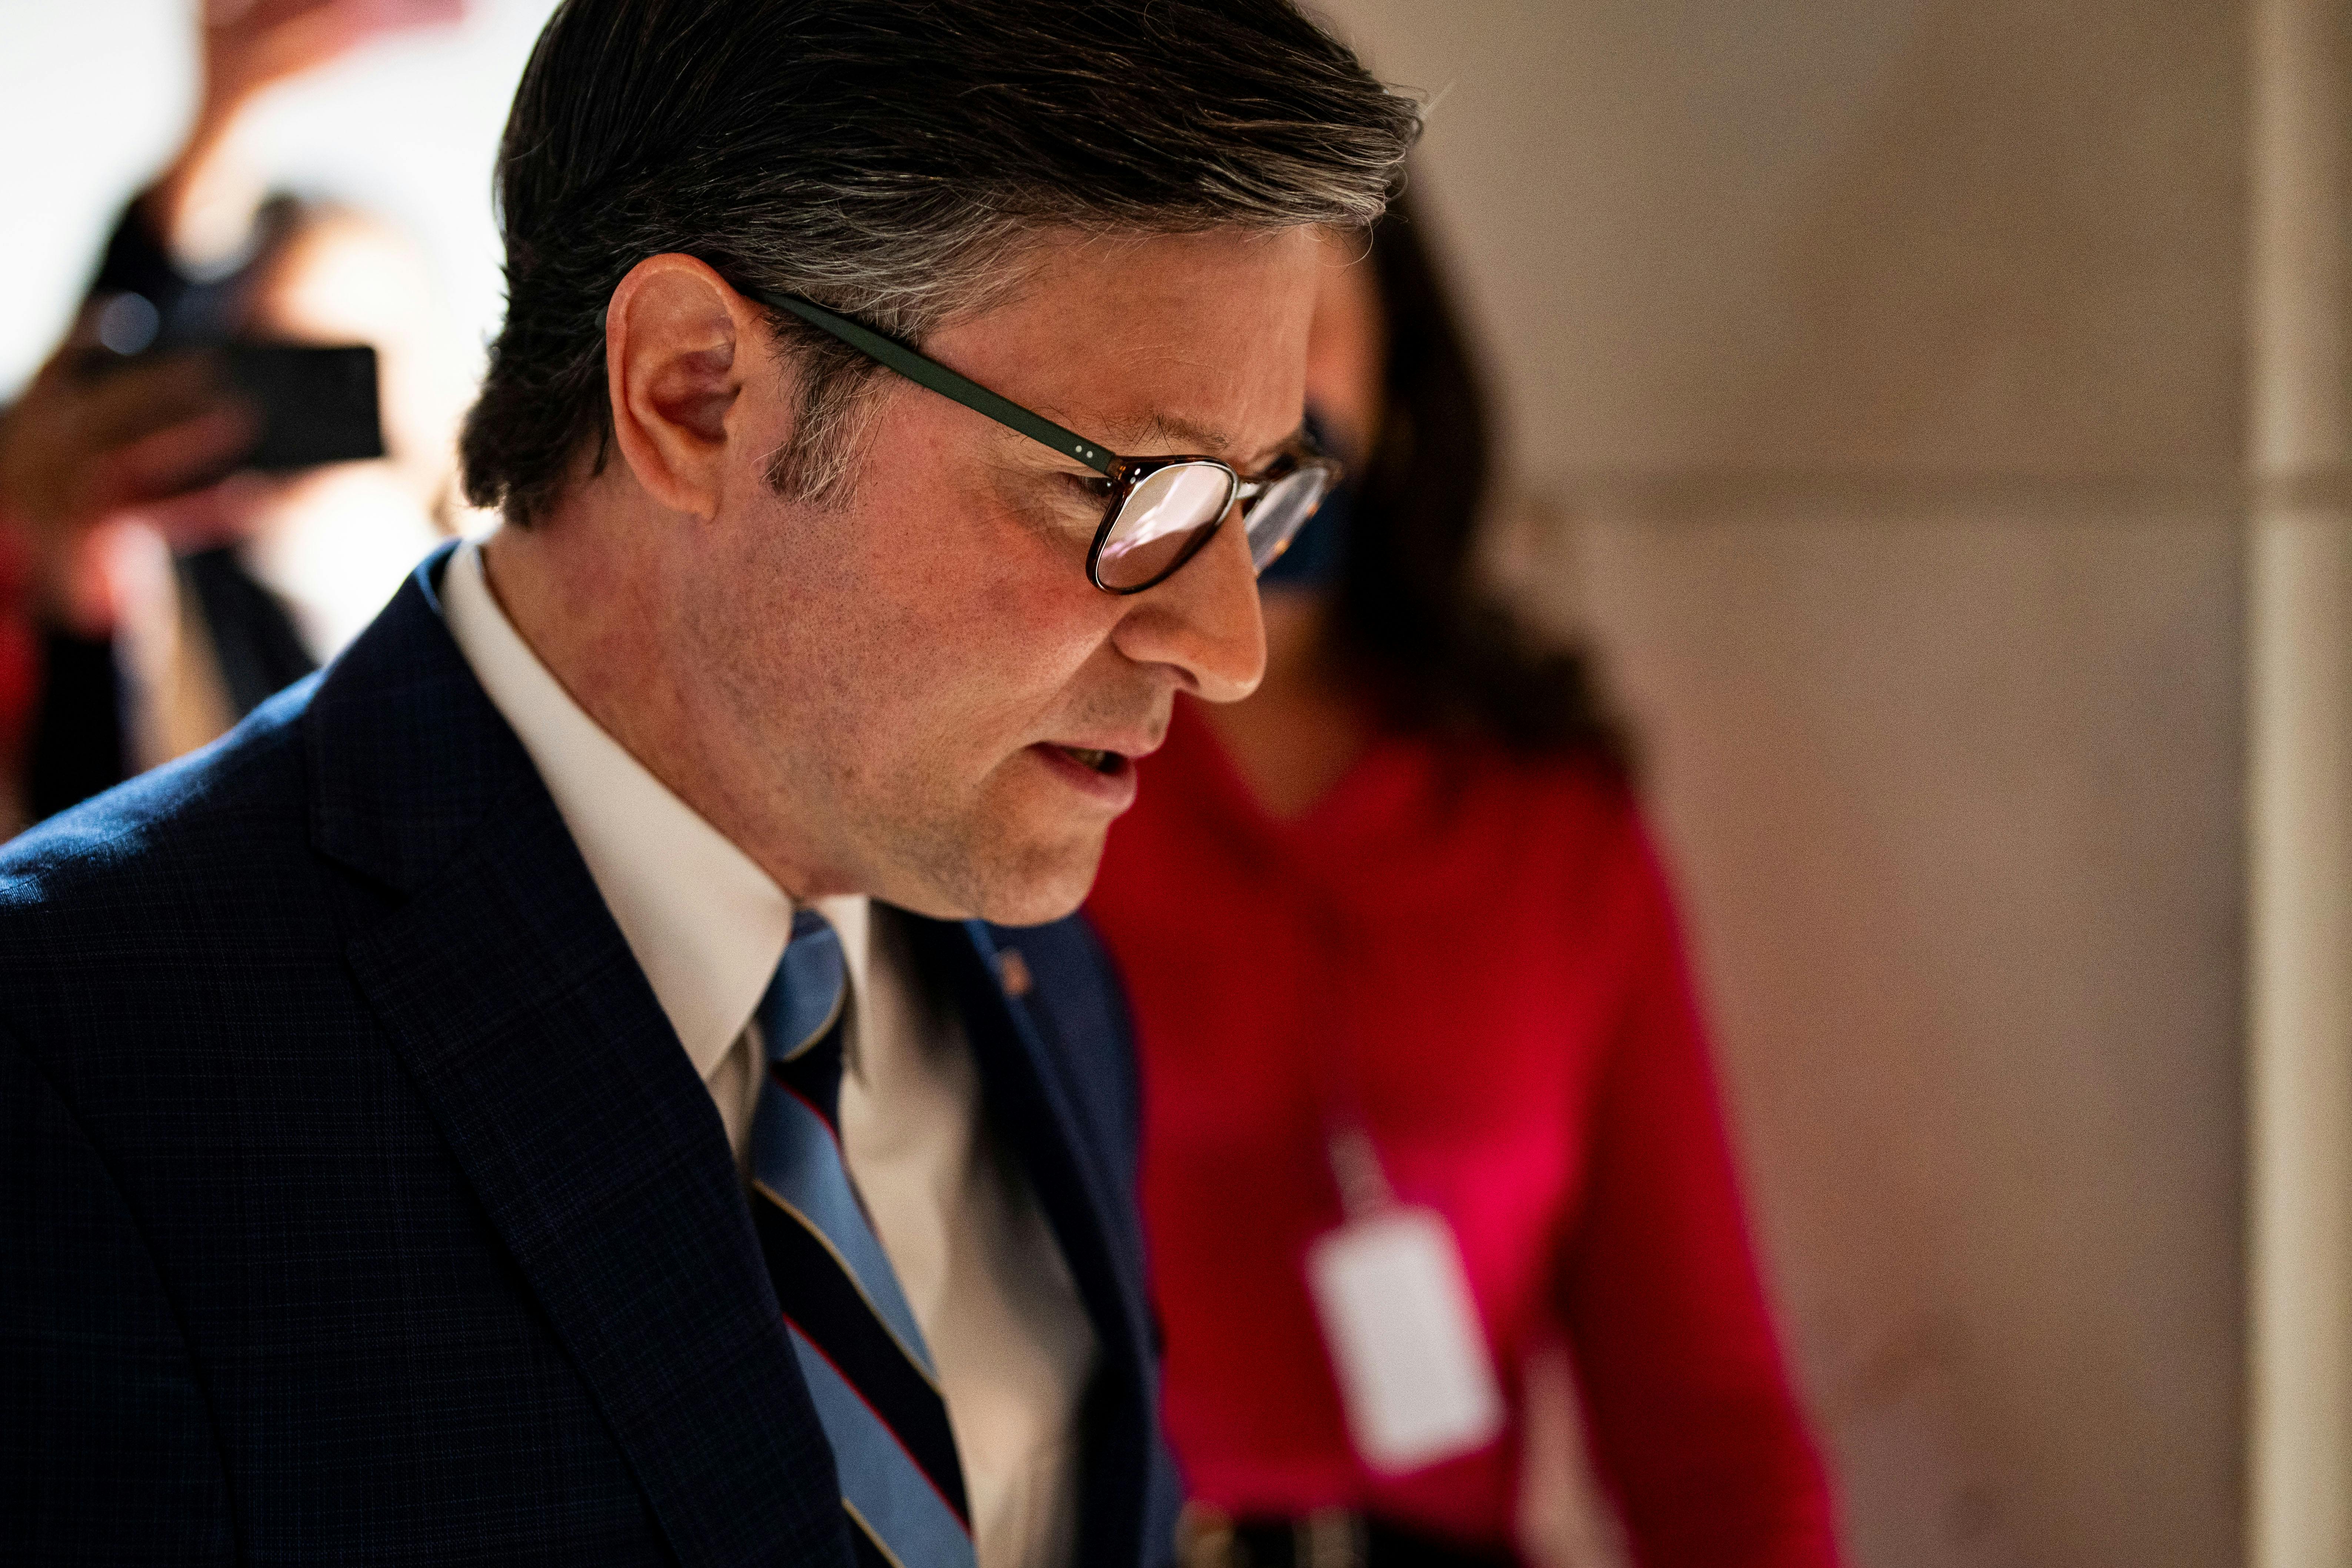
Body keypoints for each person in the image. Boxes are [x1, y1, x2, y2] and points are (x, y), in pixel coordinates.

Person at [0, 2, 1419, 1564]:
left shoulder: (1044, 968)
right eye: (1123, 486)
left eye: (1253, 493)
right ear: (693, 391)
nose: (1227, 645)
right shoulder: (82, 1052)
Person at [1085, 203, 1845, 1568]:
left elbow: (1708, 1420)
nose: (1247, 395)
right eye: (1185, 326)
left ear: (1393, 347)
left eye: (1292, 320)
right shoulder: (1029, 775)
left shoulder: (1547, 817)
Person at [0, 0, 469, 831]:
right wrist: (220, 122)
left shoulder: (497, 605)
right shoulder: (158, 605)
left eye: (353, 365)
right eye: (272, 356)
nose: (316, 405)